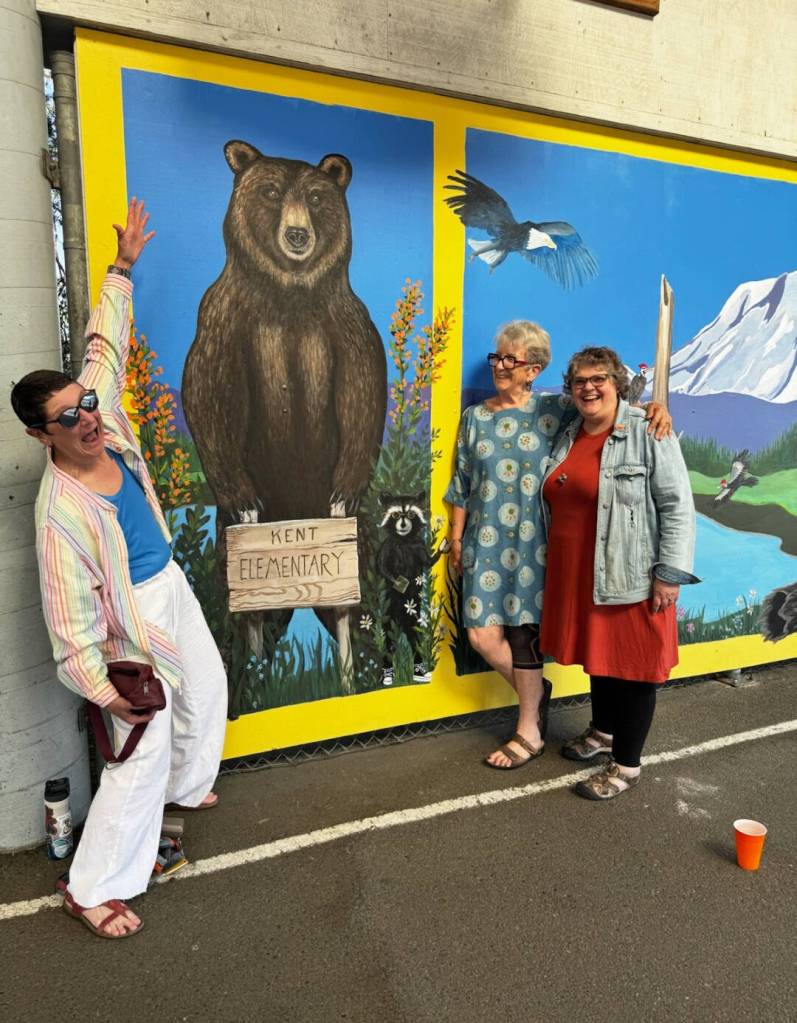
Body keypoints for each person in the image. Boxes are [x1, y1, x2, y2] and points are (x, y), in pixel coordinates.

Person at [11, 199, 228, 937]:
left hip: (170, 583)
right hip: (127, 618)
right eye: (69, 417)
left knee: (206, 689)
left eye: (87, 404)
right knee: (139, 746)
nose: (89, 417)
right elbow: (69, 628)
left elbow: (105, 340)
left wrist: (120, 269)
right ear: (43, 436)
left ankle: (170, 814)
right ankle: (92, 884)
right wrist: (107, 690)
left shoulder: (105, 414)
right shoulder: (58, 514)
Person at [445, 323, 670, 770]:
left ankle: (528, 729)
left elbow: (605, 408)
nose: (501, 367)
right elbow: (461, 482)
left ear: (535, 368)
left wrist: (652, 410)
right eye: (497, 358)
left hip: (536, 544)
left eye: (512, 360)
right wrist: (455, 537)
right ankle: (537, 693)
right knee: (482, 636)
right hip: (483, 542)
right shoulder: (476, 417)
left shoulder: (557, 410)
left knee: (524, 636)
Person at [539, 346, 698, 799]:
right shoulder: (570, 432)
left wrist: (670, 573)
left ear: (618, 383)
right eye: (579, 381)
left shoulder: (648, 431)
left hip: (632, 574)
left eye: (599, 379)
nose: (588, 387)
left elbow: (677, 505)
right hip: (583, 575)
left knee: (634, 669)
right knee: (603, 660)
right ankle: (603, 731)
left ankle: (625, 767)